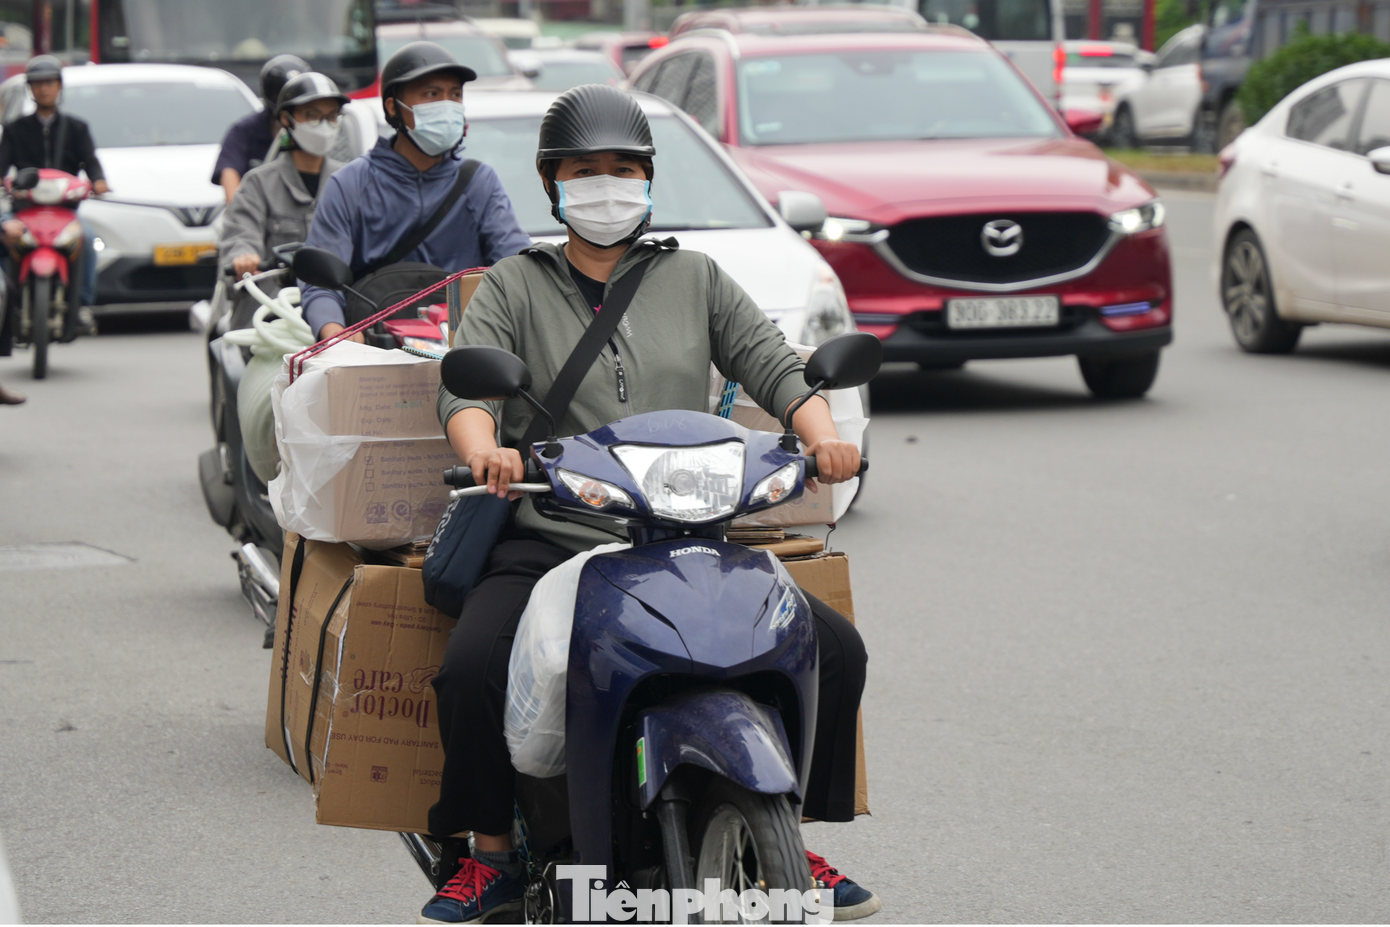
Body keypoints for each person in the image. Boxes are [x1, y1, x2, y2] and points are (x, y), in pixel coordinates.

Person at [421, 84, 879, 925]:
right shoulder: (514, 284)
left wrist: (822, 438)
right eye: (585, 170)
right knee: (473, 665)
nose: (605, 185)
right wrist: (484, 449)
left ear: (649, 179)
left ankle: (794, 833)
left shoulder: (695, 277)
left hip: (685, 531)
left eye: (623, 169)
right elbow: (466, 389)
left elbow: (777, 365)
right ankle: (489, 854)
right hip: (554, 529)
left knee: (834, 646)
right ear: (552, 183)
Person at [298, 41, 530, 343]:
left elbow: (514, 266)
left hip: (465, 352)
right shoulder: (350, 184)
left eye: (455, 95)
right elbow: (320, 284)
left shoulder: (479, 181)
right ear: (394, 106)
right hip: (374, 352)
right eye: (432, 94)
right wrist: (335, 333)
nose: (447, 105)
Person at [219, 71, 347, 310]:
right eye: (312, 116)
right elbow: (240, 234)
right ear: (287, 119)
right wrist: (243, 257)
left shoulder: (349, 180)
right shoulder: (258, 183)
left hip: (337, 314)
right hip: (272, 315)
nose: (324, 126)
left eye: (331, 117)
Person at [0, 55, 108, 336]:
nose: (43, 89)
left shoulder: (77, 128)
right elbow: (2, 166)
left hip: (65, 211)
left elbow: (91, 161)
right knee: (4, 237)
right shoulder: (14, 130)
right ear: (30, 89)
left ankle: (83, 304)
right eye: (37, 84)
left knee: (86, 237)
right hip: (24, 210)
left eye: (49, 83)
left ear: (60, 86)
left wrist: (98, 181)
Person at [211, 54, 308, 205]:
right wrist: (243, 216)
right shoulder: (243, 131)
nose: (289, 104)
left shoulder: (319, 134)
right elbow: (230, 181)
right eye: (281, 96)